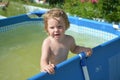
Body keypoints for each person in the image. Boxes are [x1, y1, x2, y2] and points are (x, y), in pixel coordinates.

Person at [40, 8, 92, 74]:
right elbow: (44, 59)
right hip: (52, 71)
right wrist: (45, 66)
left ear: (66, 26)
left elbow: (74, 49)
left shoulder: (69, 39)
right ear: (47, 29)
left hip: (64, 69)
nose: (56, 30)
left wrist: (84, 49)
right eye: (52, 27)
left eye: (59, 27)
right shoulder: (47, 43)